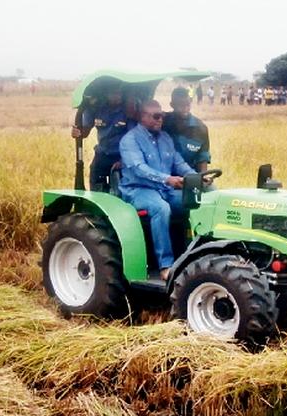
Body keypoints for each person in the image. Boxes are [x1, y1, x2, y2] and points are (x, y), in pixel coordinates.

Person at [118, 100, 195, 281]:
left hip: (164, 189)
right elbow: (139, 169)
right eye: (156, 116)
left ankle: (192, 257)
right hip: (138, 190)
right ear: (142, 117)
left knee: (194, 203)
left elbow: (179, 163)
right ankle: (166, 265)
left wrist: (196, 177)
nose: (161, 120)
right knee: (161, 208)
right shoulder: (130, 140)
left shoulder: (165, 138)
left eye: (163, 116)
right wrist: (167, 179)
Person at [71, 85, 136, 191]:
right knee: (96, 184)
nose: (117, 96)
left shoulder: (128, 111)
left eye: (120, 93)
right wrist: (77, 132)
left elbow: (134, 139)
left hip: (122, 155)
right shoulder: (96, 108)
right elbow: (84, 132)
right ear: (106, 94)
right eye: (114, 93)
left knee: (120, 190)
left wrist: (124, 160)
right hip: (103, 154)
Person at [163, 88, 212, 172]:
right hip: (166, 176)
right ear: (172, 105)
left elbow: (203, 157)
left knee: (210, 186)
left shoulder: (200, 128)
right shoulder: (163, 122)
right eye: (181, 105)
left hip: (190, 175)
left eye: (188, 105)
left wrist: (203, 178)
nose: (185, 109)